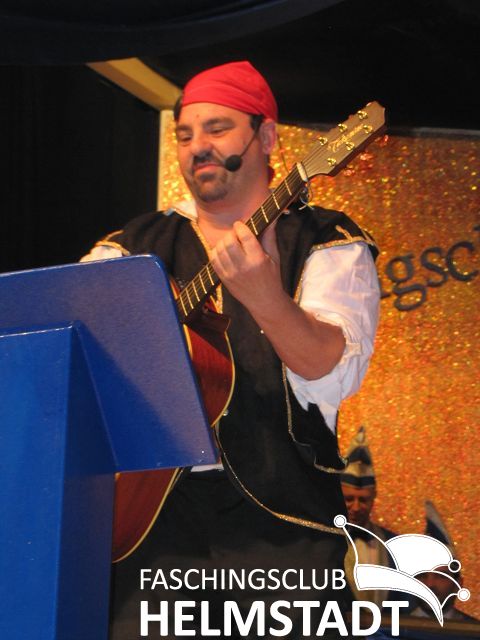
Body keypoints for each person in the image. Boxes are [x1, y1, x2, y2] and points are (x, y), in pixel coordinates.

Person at [83, 61, 380, 639]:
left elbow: (329, 373)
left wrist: (266, 296)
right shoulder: (127, 248)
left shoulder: (327, 242)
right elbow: (77, 353)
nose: (199, 146)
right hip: (150, 525)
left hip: (285, 529)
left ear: (265, 137)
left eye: (217, 128)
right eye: (185, 134)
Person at [340, 426, 396, 606]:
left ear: (374, 497)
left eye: (363, 500)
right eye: (349, 499)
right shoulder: (321, 543)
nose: (356, 507)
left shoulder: (395, 546)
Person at [407, 501, 477, 624]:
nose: (429, 584)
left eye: (441, 576)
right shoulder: (390, 630)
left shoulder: (473, 631)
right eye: (423, 576)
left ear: (458, 584)